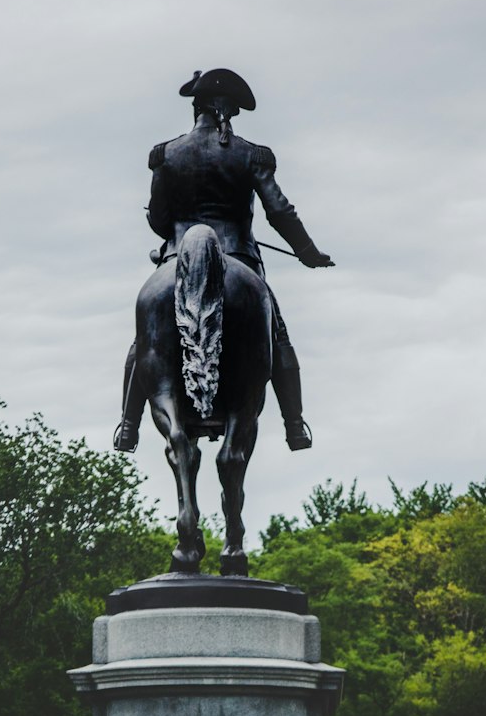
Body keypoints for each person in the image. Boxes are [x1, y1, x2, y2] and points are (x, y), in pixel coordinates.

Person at [114, 68, 333, 453]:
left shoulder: (166, 154)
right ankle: (294, 424)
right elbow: (278, 211)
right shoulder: (252, 155)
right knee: (278, 335)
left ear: (198, 108)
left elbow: (160, 221)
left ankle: (128, 426)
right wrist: (307, 252)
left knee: (142, 342)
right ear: (226, 110)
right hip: (239, 257)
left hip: (176, 257)